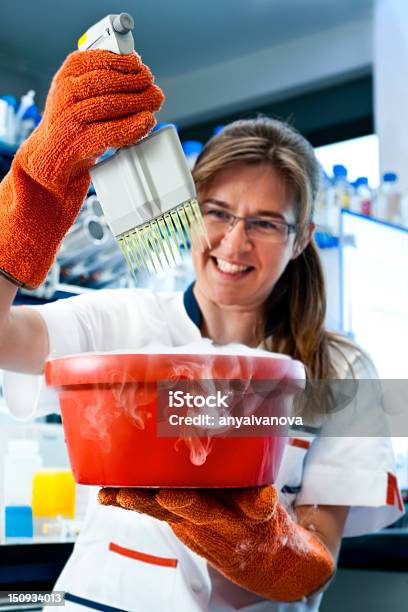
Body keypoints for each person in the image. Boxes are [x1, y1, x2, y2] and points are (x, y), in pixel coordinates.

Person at [0, 48, 404, 612]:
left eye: (264, 223)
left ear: (303, 236)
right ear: (189, 209)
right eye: (216, 211)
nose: (234, 244)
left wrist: (253, 543)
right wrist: (35, 195)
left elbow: (314, 565)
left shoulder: (340, 374)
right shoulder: (124, 321)